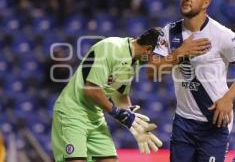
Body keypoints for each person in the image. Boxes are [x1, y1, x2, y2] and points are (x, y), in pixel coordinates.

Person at [147, 0, 235, 162]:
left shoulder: (222, 35)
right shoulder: (169, 32)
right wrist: (179, 53)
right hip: (183, 122)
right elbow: (151, 72)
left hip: (214, 121)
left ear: (206, 2)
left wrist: (228, 99)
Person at [51, 28, 163, 162]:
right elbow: (91, 89)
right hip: (72, 113)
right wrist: (118, 113)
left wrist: (133, 119)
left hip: (95, 117)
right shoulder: (111, 48)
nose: (158, 62)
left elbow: (120, 95)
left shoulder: (135, 61)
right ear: (148, 50)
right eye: (159, 56)